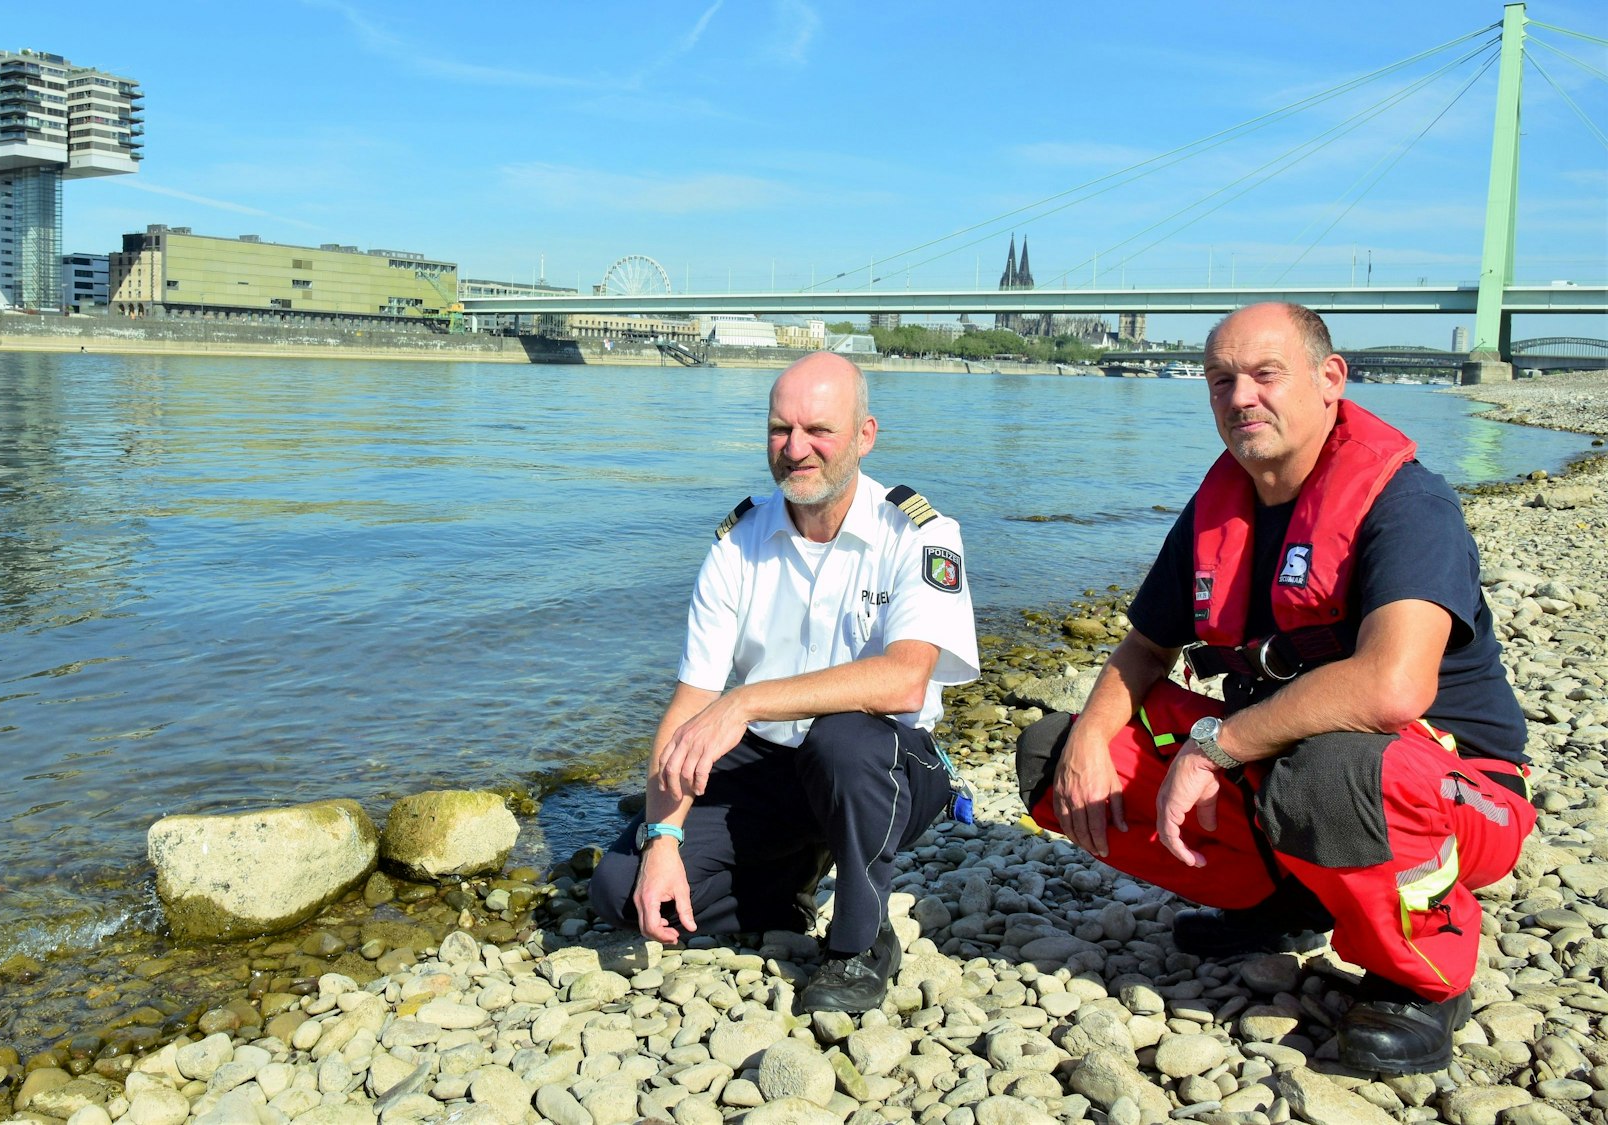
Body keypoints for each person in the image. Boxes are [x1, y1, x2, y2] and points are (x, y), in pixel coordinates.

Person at [1015, 303, 1534, 1075]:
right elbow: (1145, 647)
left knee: (1331, 769)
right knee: (1051, 752)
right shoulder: (1220, 505)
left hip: (1462, 793)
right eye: (1221, 380)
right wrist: (1090, 741)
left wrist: (1211, 746)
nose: (1240, 397)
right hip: (1283, 765)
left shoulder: (1407, 504)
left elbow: (1392, 687)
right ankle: (1284, 900)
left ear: (1331, 381)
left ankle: (1423, 978)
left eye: (1264, 374)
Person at [589, 352, 981, 1014]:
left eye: (818, 430)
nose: (796, 448)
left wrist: (744, 700)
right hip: (774, 767)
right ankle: (786, 884)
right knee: (621, 889)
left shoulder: (920, 532)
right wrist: (663, 841)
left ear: (864, 435)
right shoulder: (738, 541)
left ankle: (861, 942)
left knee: (844, 740)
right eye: (780, 429)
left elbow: (904, 681)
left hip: (883, 765)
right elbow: (690, 703)